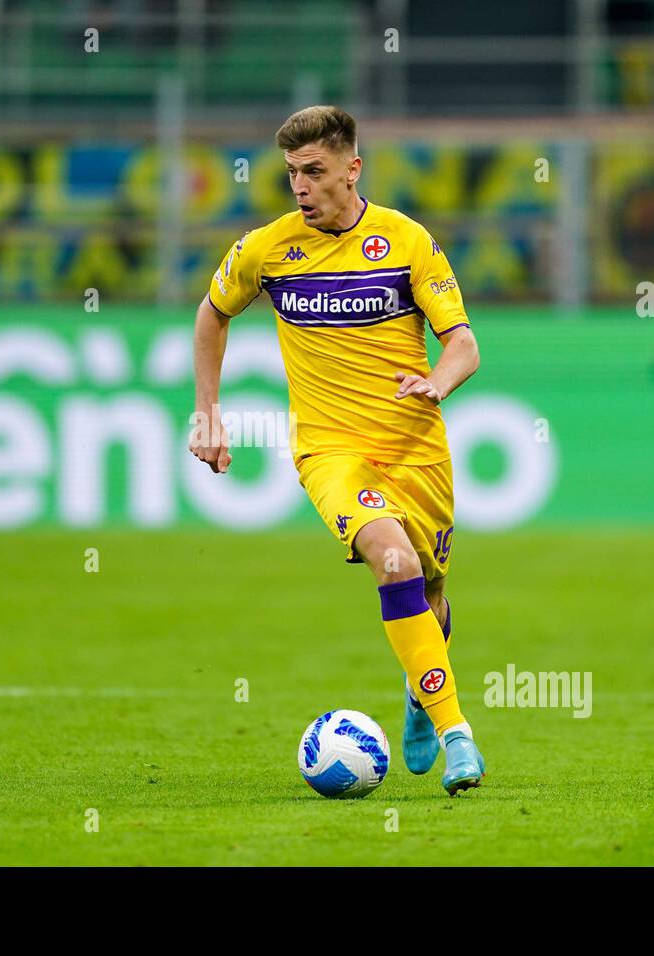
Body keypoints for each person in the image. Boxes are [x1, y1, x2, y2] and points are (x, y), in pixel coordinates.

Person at [189, 105, 485, 795]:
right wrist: (208, 412)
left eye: (314, 172)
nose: (300, 187)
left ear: (353, 169)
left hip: (415, 449)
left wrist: (437, 384)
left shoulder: (406, 241)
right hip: (330, 452)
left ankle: (419, 689)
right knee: (393, 558)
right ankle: (456, 732)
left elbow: (464, 344)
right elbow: (211, 314)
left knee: (431, 587)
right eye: (292, 174)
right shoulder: (268, 248)